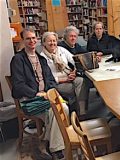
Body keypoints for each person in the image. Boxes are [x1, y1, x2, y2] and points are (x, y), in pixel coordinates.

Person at [10, 28, 68, 159]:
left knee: (61, 109)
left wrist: (49, 92)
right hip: (30, 100)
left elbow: (51, 80)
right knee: (60, 109)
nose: (31, 41)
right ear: (23, 41)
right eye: (28, 38)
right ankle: (55, 147)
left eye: (33, 38)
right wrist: (37, 93)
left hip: (46, 98)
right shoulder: (18, 60)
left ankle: (49, 143)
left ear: (37, 40)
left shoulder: (41, 59)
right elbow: (18, 85)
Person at [40, 32, 89, 116]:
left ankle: (81, 110)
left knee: (82, 81)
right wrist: (64, 79)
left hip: (69, 76)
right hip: (56, 82)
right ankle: (74, 111)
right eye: (49, 41)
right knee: (75, 89)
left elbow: (75, 60)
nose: (52, 43)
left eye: (54, 41)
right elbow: (46, 77)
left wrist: (74, 71)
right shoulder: (42, 57)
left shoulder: (61, 50)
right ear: (44, 43)